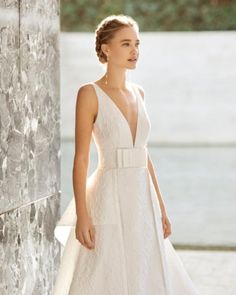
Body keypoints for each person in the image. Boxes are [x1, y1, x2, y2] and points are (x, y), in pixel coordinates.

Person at [53, 14, 200, 295]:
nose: (135, 51)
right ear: (106, 49)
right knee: (105, 270)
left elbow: (144, 155)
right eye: (126, 44)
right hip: (108, 195)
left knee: (145, 266)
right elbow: (81, 159)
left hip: (143, 197)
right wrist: (82, 216)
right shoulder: (89, 93)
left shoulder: (139, 93)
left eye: (137, 44)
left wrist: (162, 208)